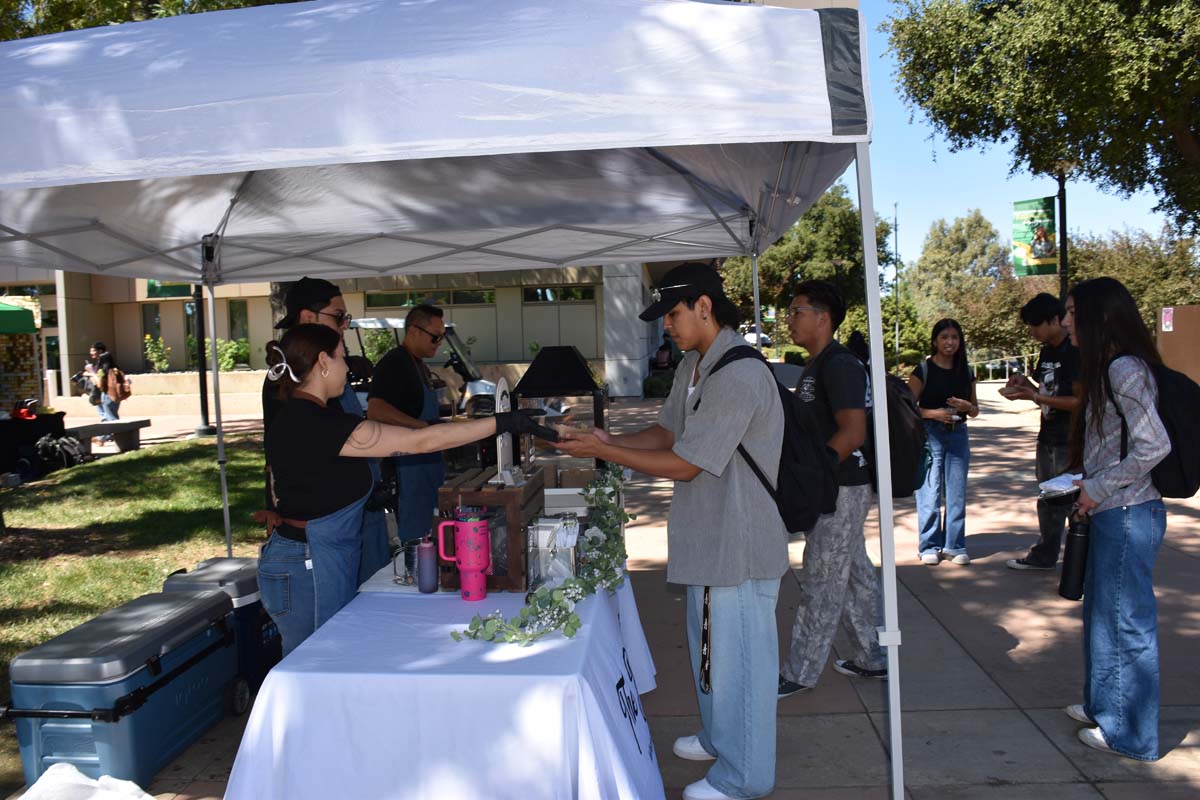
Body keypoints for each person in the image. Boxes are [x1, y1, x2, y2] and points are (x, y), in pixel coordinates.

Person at [557, 262, 785, 800]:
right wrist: (603, 437)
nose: (667, 326)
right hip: (707, 539)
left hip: (741, 545)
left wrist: (604, 452)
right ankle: (721, 737)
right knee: (709, 651)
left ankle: (744, 777)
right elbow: (666, 432)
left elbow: (688, 462)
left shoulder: (740, 374)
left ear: (705, 307)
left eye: (674, 314)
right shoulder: (694, 365)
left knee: (742, 665)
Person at [259, 323, 546, 655]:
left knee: (325, 660)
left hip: (317, 554)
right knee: (313, 663)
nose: (348, 366)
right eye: (342, 356)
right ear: (323, 361)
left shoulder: (306, 417)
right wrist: (502, 422)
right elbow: (420, 441)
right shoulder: (317, 423)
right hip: (308, 562)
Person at [1062, 277, 1169, 761]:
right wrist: (1087, 483)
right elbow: (1115, 444)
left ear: (1098, 316)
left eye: (1071, 312)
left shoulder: (1124, 369)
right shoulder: (1110, 367)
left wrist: (1099, 486)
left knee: (1126, 622)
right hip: (1110, 509)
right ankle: (1105, 707)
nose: (1066, 321)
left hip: (1128, 512)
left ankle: (1132, 734)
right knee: (1102, 615)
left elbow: (1153, 444)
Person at [778, 281, 886, 699]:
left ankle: (800, 671)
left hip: (839, 487)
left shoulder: (839, 365)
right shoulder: (818, 364)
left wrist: (814, 474)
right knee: (855, 571)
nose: (789, 319)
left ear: (823, 318)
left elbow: (853, 432)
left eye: (795, 311)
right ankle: (873, 655)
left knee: (822, 578)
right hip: (834, 485)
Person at [258, 277, 391, 584]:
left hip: (359, 511)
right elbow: (280, 455)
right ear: (307, 318)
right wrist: (273, 508)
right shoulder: (287, 381)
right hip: (328, 527)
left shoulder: (332, 371)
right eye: (338, 316)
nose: (344, 324)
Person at [1003, 293, 1081, 570]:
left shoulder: (1074, 350)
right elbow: (1047, 391)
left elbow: (1079, 403)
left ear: (1053, 320)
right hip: (1047, 436)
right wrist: (1026, 386)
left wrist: (1035, 398)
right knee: (1048, 499)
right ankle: (1045, 555)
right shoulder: (1047, 350)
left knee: (1072, 502)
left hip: (1070, 441)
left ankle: (1079, 560)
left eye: (1035, 325)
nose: (1032, 331)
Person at [367, 304, 449, 550]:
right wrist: (424, 428)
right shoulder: (395, 364)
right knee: (415, 547)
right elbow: (376, 410)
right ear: (413, 331)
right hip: (407, 472)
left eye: (442, 337)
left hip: (426, 470)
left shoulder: (419, 365)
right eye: (435, 337)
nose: (439, 343)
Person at [908, 319, 978, 565]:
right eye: (944, 337)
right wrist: (934, 413)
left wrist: (967, 407)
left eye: (955, 337)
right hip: (930, 434)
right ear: (935, 341)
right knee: (929, 490)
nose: (950, 342)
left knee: (957, 492)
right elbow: (907, 408)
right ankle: (928, 545)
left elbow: (975, 409)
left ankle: (955, 546)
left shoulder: (966, 371)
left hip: (958, 433)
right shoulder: (923, 370)